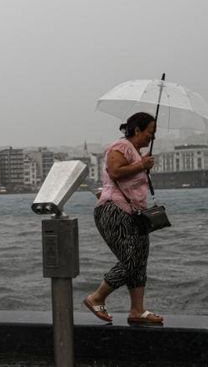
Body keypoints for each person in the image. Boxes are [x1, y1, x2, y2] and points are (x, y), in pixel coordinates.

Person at [84, 112, 163, 324]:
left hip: (135, 214)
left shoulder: (136, 152)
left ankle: (137, 310)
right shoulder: (122, 146)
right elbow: (115, 170)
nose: (151, 137)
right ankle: (96, 297)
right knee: (131, 259)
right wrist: (141, 166)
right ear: (137, 130)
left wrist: (142, 164)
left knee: (140, 260)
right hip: (113, 210)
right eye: (150, 132)